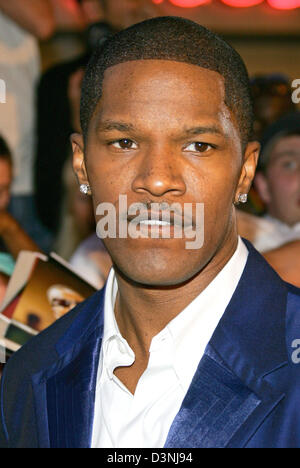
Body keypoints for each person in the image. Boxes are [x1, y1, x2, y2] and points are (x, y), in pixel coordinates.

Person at [1, 17, 300, 449]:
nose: (157, 180)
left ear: (245, 172)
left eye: (198, 145)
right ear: (82, 164)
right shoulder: (29, 375)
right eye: (124, 142)